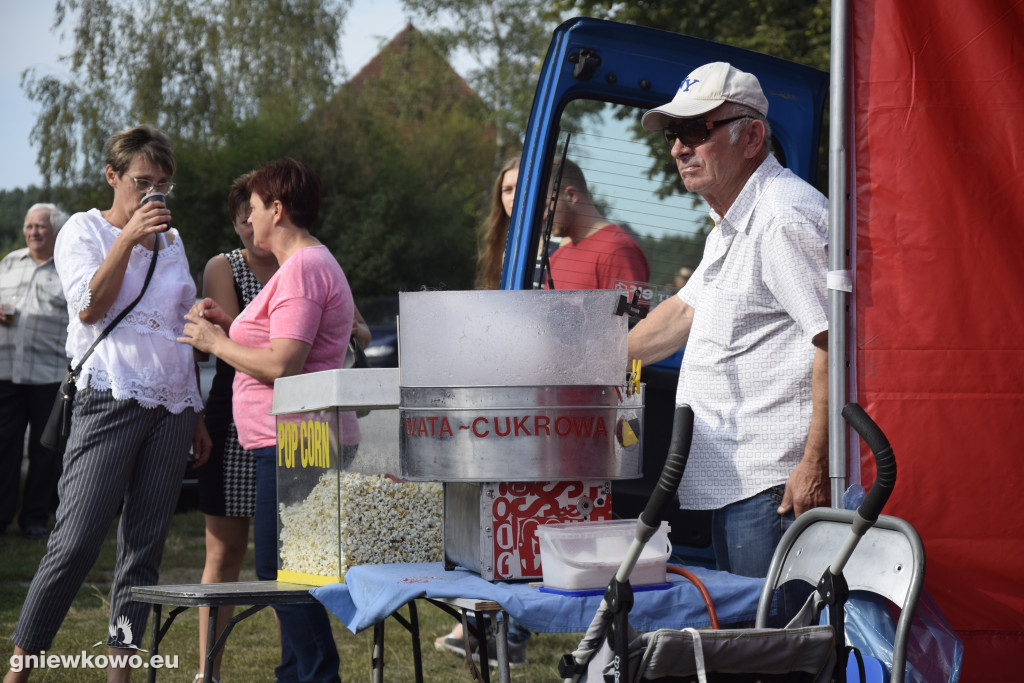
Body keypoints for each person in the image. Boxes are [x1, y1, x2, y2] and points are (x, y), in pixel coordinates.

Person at [5, 125, 211, 683]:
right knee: (74, 542)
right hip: (110, 393)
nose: (154, 196)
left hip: (173, 406)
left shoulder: (174, 243)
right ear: (112, 176)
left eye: (164, 186)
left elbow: (178, 327)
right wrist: (127, 238)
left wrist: (195, 406)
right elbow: (90, 307)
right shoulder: (82, 229)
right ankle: (19, 670)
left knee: (143, 550)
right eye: (143, 182)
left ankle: (120, 675)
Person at [627, 62, 830, 619]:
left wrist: (814, 463)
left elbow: (834, 343)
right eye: (674, 134)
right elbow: (682, 314)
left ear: (753, 136)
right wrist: (583, 362)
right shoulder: (733, 222)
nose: (677, 149)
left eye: (695, 132)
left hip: (773, 489)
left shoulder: (784, 217)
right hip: (738, 486)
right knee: (743, 650)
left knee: (771, 654)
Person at [193, 175, 370, 682]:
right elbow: (283, 343)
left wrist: (213, 341)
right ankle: (297, 673)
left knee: (283, 575)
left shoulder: (304, 268)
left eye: (253, 208)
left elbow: (284, 363)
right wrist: (229, 325)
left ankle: (316, 674)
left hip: (301, 437)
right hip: (299, 436)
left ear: (277, 209)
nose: (247, 220)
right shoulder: (300, 266)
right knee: (289, 572)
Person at [0, 204, 70, 540]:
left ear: (54, 230)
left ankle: (34, 520)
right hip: (7, 372)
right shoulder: (10, 262)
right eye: (28, 226)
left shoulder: (68, 267)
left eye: (40, 226)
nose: (33, 232)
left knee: (44, 452)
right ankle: (1, 516)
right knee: (4, 446)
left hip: (49, 373)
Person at [543, 157, 650, 290]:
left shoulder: (617, 251)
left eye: (545, 206)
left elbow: (630, 311)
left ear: (571, 196)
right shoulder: (556, 257)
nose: (543, 217)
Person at [475, 155, 520, 290]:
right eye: (507, 190)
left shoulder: (556, 241)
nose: (513, 197)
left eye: (520, 187)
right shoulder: (499, 244)